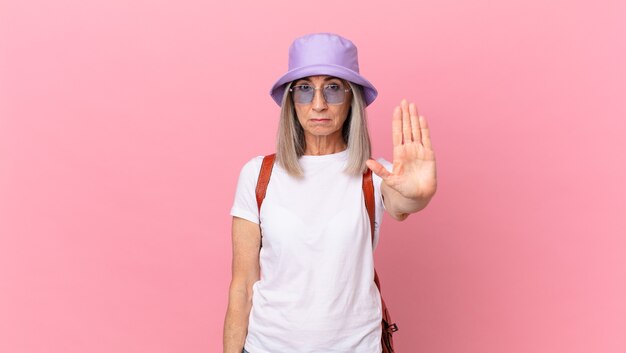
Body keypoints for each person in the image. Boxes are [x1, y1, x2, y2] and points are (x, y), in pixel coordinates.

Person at [223, 32, 437, 353]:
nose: (319, 104)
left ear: (352, 99)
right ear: (291, 101)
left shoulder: (375, 174)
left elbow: (402, 203)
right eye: (305, 89)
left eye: (334, 88)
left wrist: (418, 195)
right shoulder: (258, 174)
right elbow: (242, 287)